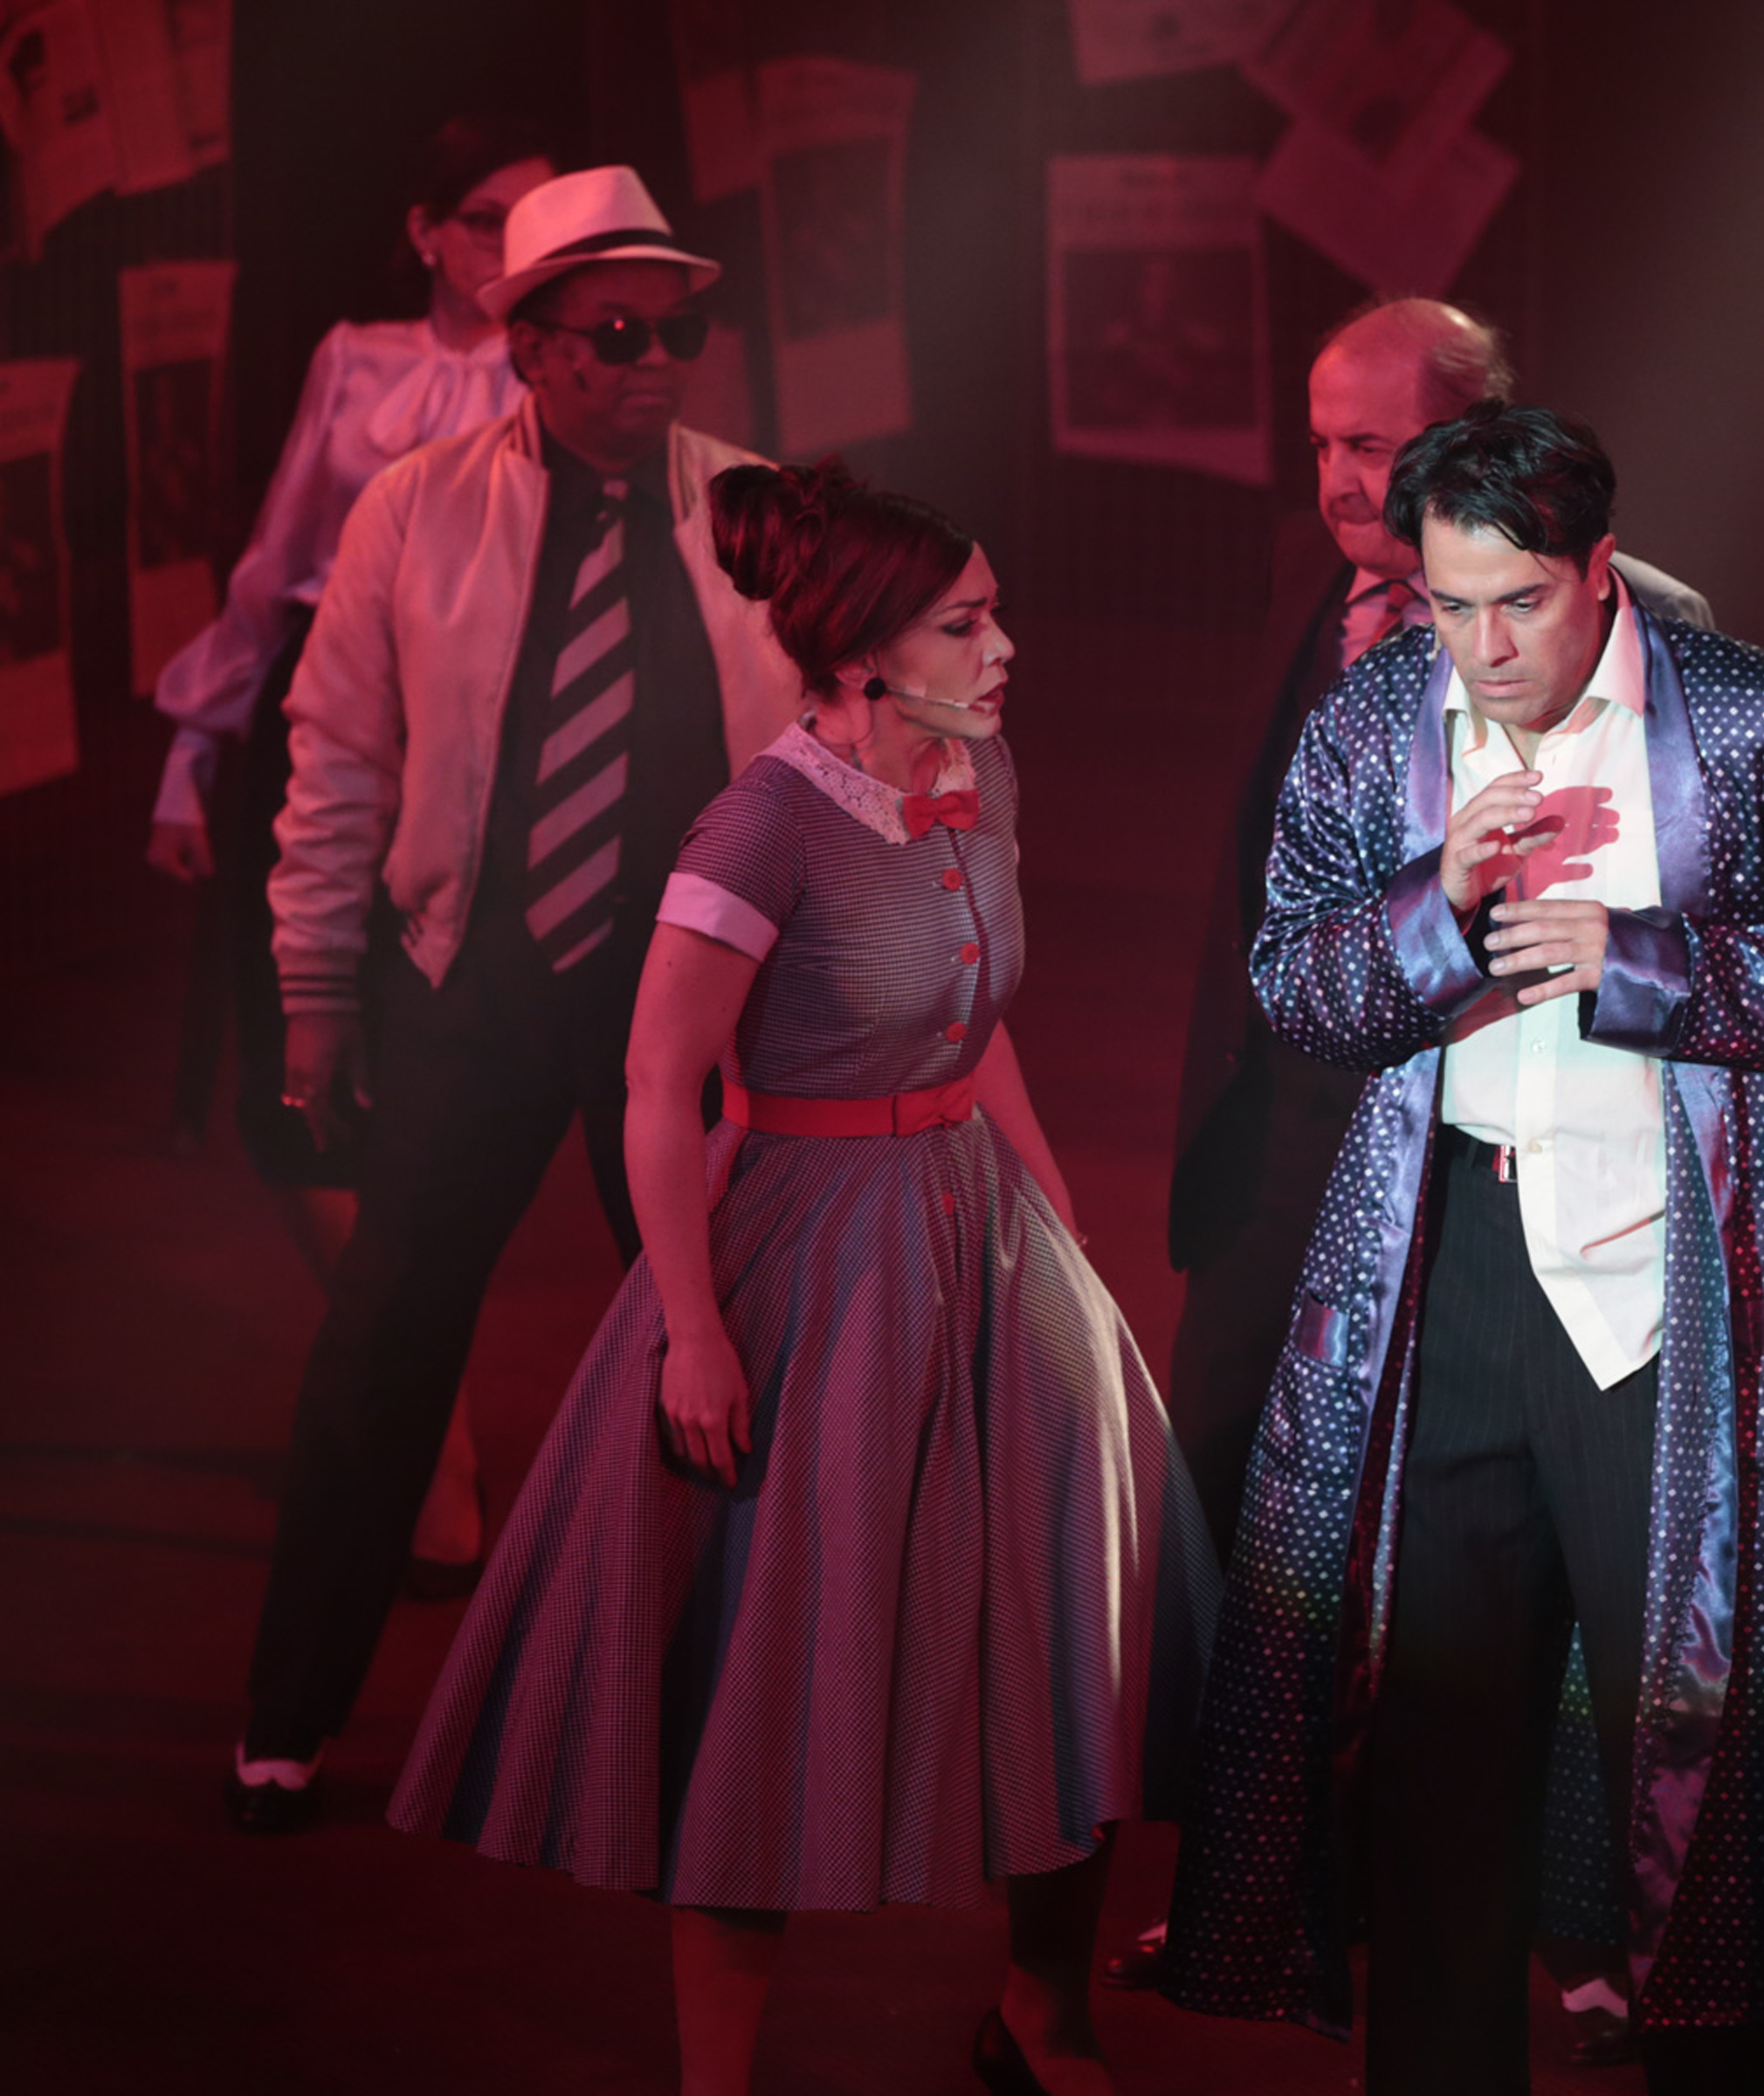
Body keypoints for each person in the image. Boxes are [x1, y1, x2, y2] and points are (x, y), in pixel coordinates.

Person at [389, 462, 1213, 2096]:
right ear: (856, 655)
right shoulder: (761, 825)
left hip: (977, 1220)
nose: (1002, 648)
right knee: (772, 1664)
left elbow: (973, 1023)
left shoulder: (980, 770)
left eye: (994, 614)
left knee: (1077, 1615)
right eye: (963, 623)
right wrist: (692, 1330)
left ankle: (1043, 2012)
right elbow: (657, 1084)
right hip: (815, 1243)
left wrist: (1053, 1213)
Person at [1161, 403, 1764, 2094]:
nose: (1485, 647)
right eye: (1452, 606)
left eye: (1520, 602)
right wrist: (1434, 910)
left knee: (1703, 1757)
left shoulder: (1755, 718)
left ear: (1601, 569)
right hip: (1449, 1274)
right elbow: (1294, 986)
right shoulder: (1375, 721)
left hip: (1667, 1289)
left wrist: (1637, 962)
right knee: (1438, 1767)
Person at [1140, 294, 1708, 2059]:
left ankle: (1586, 1917)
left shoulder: (1648, 628)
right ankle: (1285, 1890)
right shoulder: (1317, 594)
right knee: (1245, 1516)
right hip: (1288, 1142)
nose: (1338, 481)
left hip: (1494, 1173)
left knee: (1517, 1572)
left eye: (1374, 445)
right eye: (1321, 441)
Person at [229, 166, 803, 1832]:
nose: (654, 363)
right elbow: (339, 756)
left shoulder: (759, 509)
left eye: (677, 332)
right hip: (468, 989)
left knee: (722, 1348)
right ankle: (286, 1721)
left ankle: (749, 1720)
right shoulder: (415, 510)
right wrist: (316, 988)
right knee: (383, 1346)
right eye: (617, 335)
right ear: (531, 348)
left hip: (683, 1007)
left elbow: (832, 754)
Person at [144, 114, 556, 1591]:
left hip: (484, 750)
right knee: (290, 1100)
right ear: (427, 233)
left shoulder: (571, 373)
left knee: (431, 1096)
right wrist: (191, 755)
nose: (513, 244)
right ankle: (426, 1416)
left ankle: (431, 1450)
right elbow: (271, 570)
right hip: (319, 726)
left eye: (538, 217)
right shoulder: (352, 358)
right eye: (488, 217)